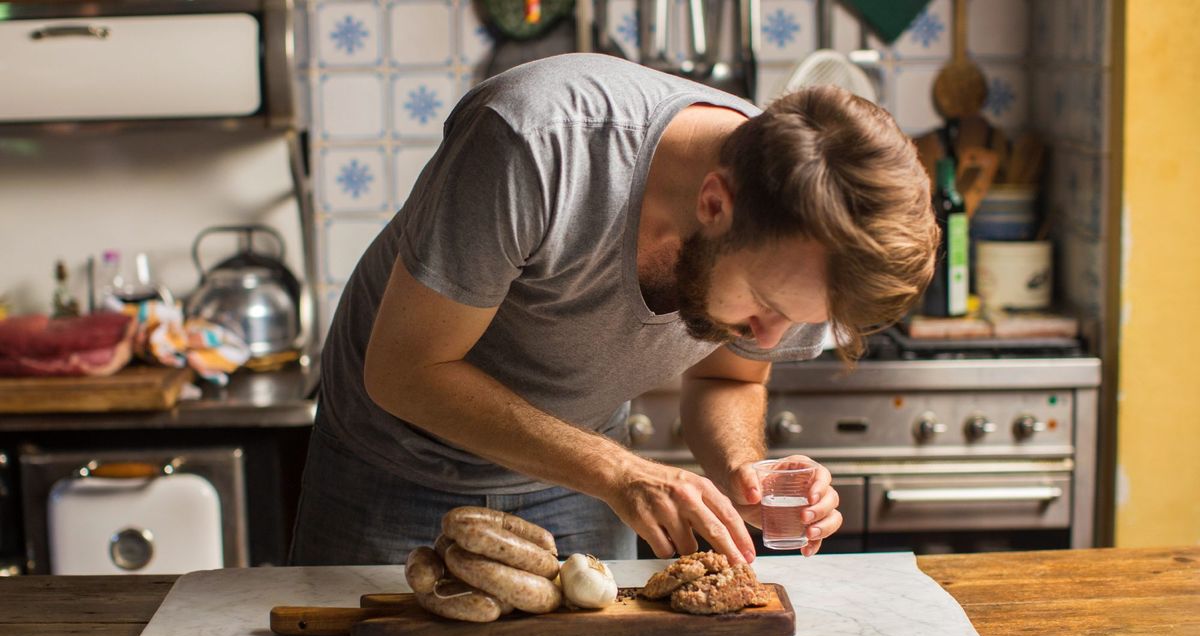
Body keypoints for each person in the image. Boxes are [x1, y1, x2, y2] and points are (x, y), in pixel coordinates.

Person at [289, 54, 937, 566]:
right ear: (713, 204)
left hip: (579, 484)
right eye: (766, 306)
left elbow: (725, 378)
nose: (768, 338)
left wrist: (747, 470)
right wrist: (619, 471)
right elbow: (404, 370)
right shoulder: (534, 145)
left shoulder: (799, 233)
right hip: (389, 467)